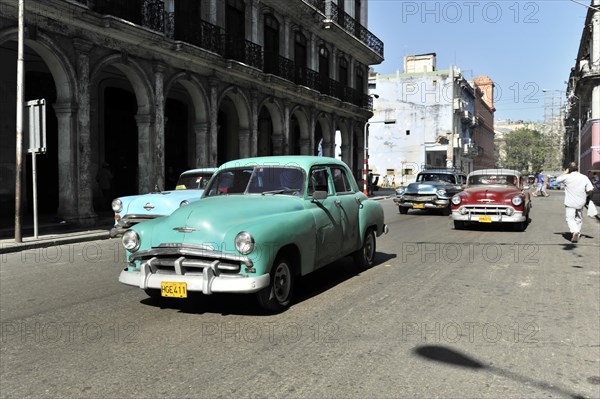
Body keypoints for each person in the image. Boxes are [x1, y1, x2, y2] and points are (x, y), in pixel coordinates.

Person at [556, 162, 594, 243]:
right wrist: (588, 198)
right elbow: (590, 189)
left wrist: (565, 172)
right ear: (578, 168)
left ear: (569, 169)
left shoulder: (567, 177)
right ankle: (578, 233)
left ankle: (575, 231)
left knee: (570, 218)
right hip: (581, 202)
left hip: (570, 202)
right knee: (579, 218)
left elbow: (557, 180)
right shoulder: (584, 177)